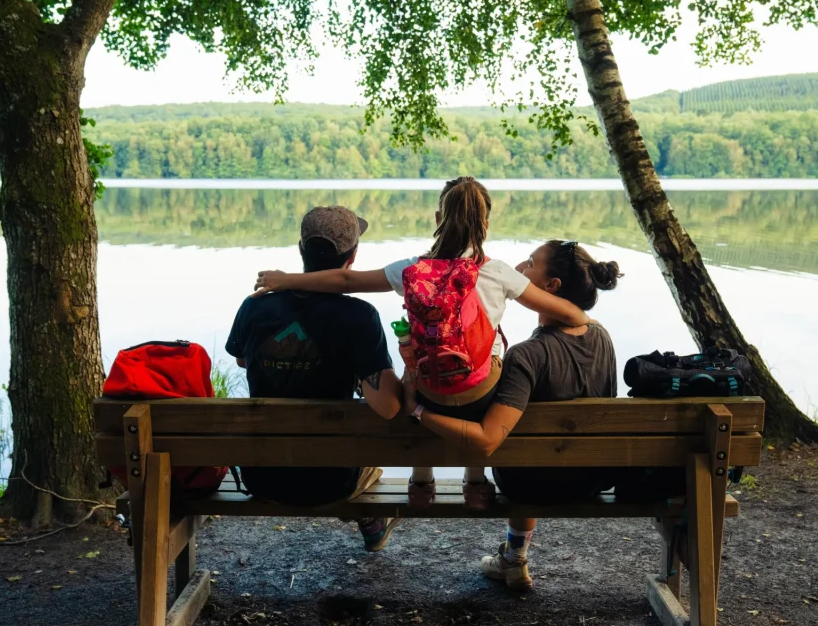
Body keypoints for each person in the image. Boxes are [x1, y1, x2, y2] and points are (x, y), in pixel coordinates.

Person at [252, 178, 592, 510]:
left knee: (414, 364)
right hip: (479, 395)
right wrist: (582, 317)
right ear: (485, 224)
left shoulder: (411, 269)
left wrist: (288, 280)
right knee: (494, 357)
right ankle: (475, 482)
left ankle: (421, 481)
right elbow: (570, 314)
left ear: (437, 220)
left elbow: (345, 279)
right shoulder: (500, 273)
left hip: (429, 393)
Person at [403, 239, 622, 590]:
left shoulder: (526, 356)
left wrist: (418, 410)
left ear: (551, 288)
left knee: (516, 444)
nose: (520, 267)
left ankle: (515, 557)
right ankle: (513, 558)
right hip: (593, 479)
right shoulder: (603, 337)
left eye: (531, 263)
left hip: (532, 483)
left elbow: (487, 442)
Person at [226, 206, 402, 552]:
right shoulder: (360, 316)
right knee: (370, 465)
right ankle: (370, 522)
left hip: (261, 476)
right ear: (353, 257)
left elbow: (243, 359)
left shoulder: (255, 307)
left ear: (300, 249)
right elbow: (390, 406)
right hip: (330, 481)